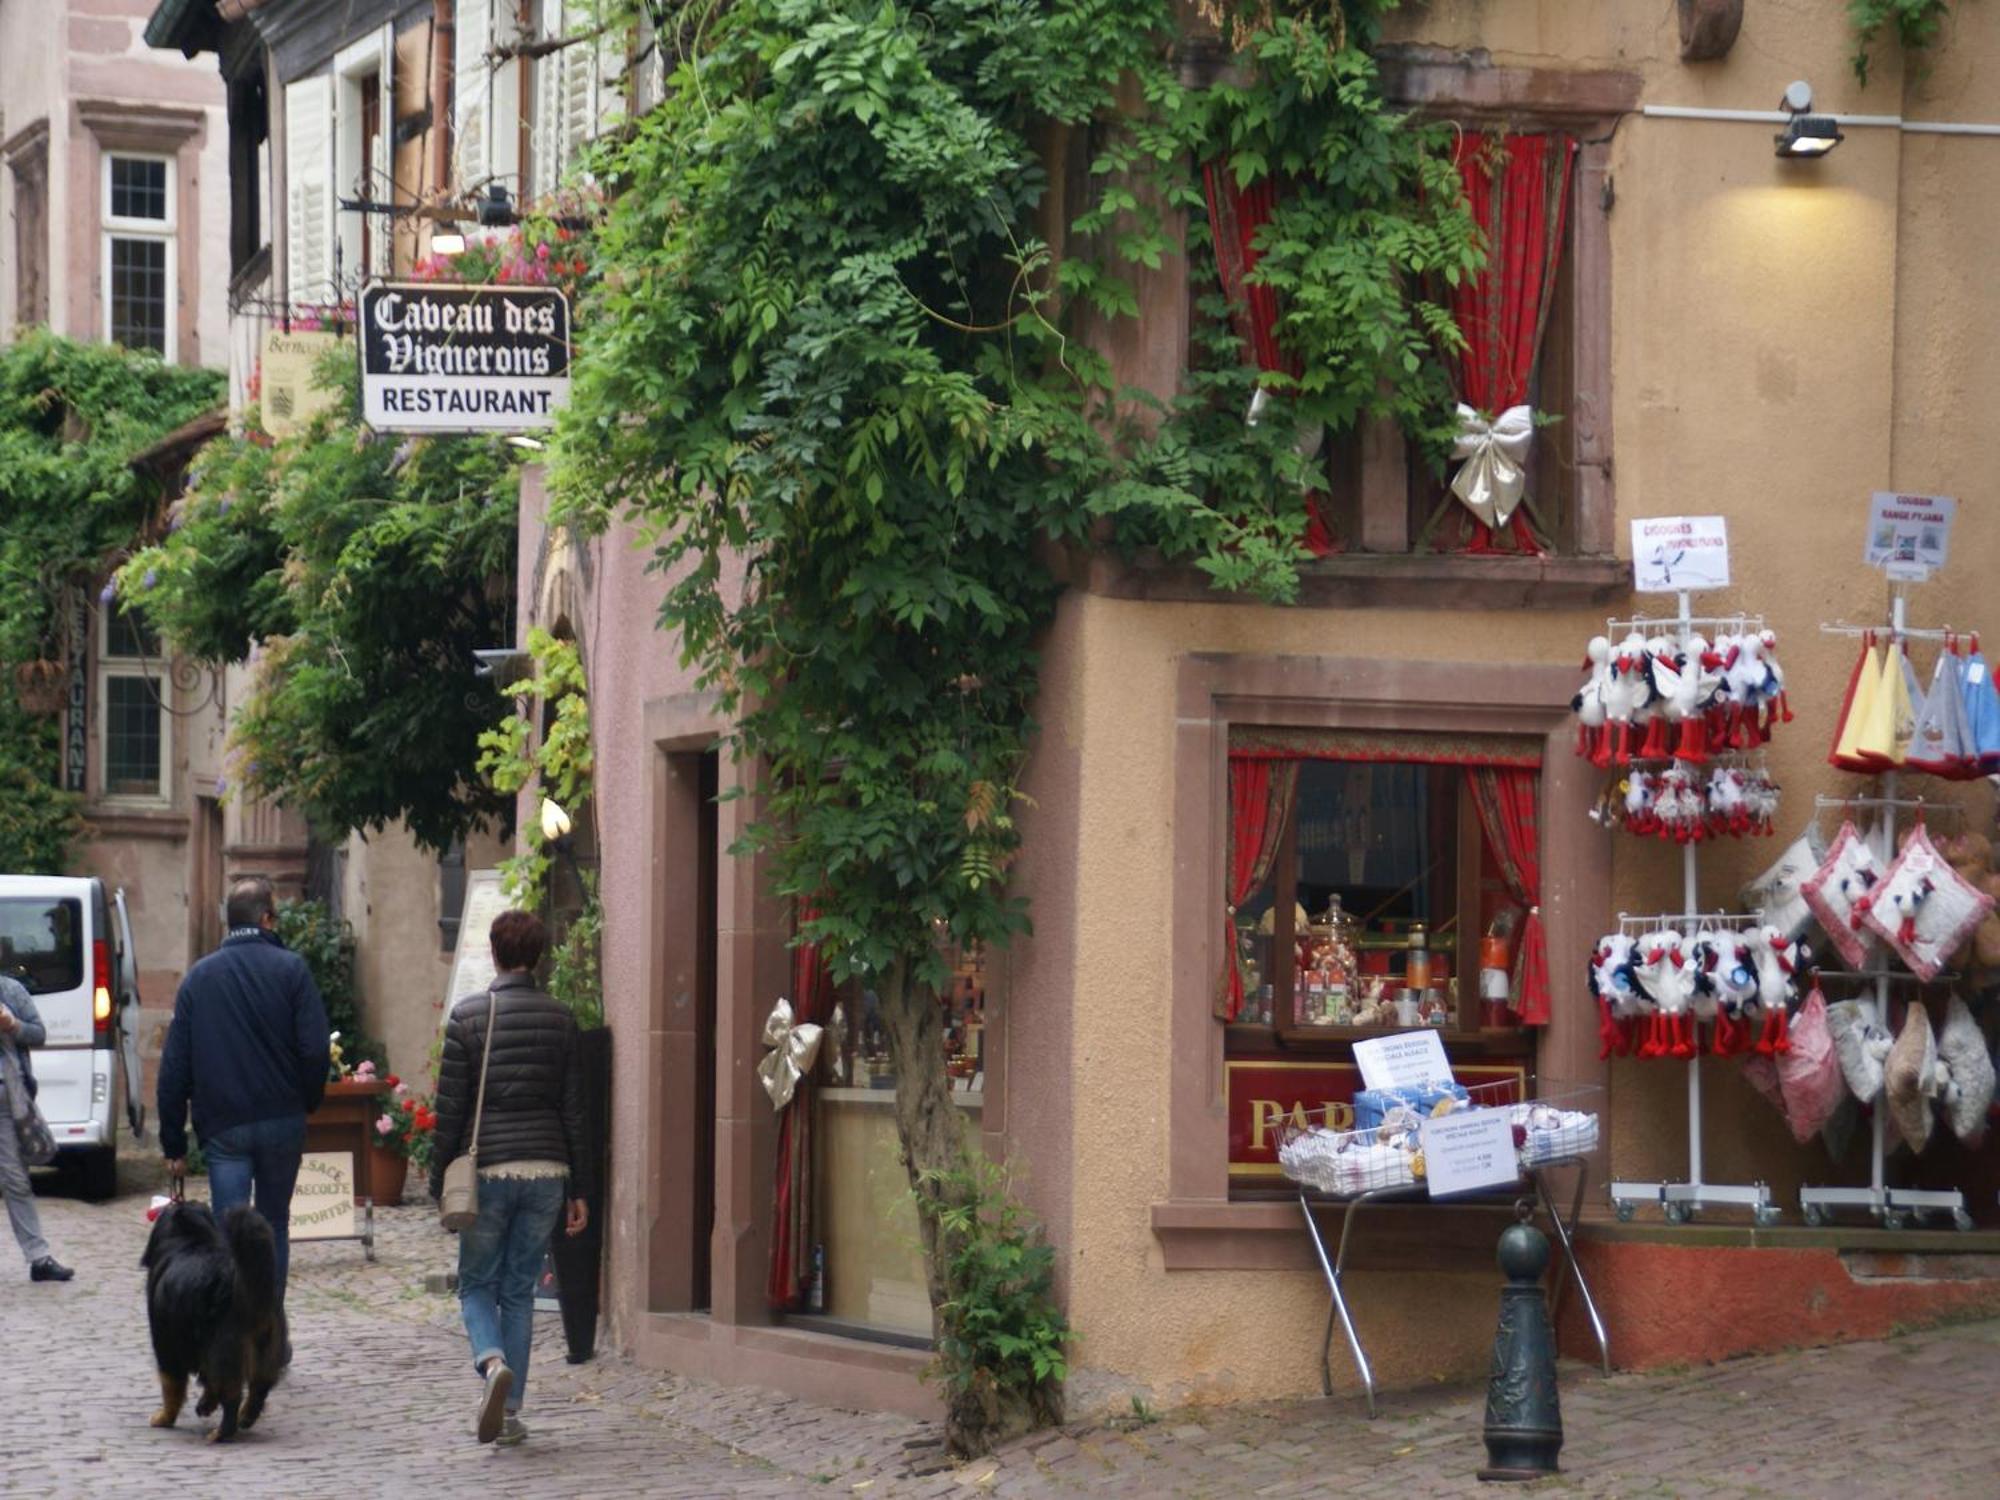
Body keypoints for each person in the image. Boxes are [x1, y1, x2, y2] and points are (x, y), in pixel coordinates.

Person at [429, 909, 589, 1448]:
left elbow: (450, 1110)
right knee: (519, 1290)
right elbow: (574, 1110)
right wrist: (579, 1188)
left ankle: (491, 1361)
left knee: (476, 1282)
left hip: (488, 1168)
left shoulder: (469, 1017)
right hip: (547, 1169)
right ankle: (512, 1412)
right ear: (539, 956)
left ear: (494, 953)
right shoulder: (562, 1019)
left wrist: (437, 1181)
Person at [158, 876, 329, 1304]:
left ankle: (236, 1331)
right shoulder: (292, 969)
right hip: (281, 1118)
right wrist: (306, 1102)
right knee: (274, 1226)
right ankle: (270, 1331)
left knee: (230, 1233)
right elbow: (314, 1050)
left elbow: (174, 1066)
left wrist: (173, 1141)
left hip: (224, 1126)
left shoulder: (199, 978)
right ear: (267, 918)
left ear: (227, 923)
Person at [0, 976, 71, 1282]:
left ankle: (38, 1258)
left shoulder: (10, 990)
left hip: (7, 1099)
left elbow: (39, 1033)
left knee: (15, 1178)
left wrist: (12, 1024)